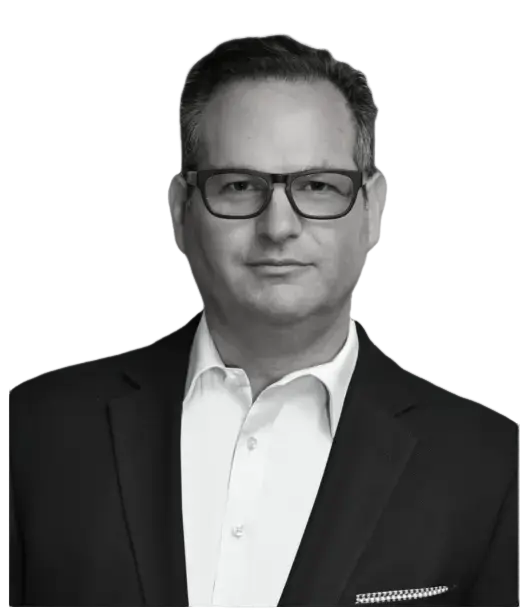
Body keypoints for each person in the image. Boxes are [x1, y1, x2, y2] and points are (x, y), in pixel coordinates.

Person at [9, 31, 518, 607]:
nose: (278, 227)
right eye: (239, 186)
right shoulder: (36, 430)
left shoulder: (494, 461)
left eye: (318, 186)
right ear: (180, 209)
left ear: (375, 210)